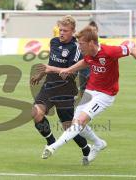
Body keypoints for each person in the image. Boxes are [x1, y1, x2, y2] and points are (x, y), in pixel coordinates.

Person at [38, 26, 136, 163]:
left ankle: (53, 147)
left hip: (106, 95)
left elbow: (132, 50)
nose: (79, 47)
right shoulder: (88, 53)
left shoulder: (109, 51)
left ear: (91, 43)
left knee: (80, 121)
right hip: (90, 91)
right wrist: (68, 70)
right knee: (77, 125)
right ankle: (98, 143)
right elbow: (85, 62)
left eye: (82, 44)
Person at [31, 15, 92, 165]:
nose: (61, 33)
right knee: (36, 113)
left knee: (68, 127)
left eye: (65, 30)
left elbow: (70, 71)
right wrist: (41, 74)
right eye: (60, 30)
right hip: (49, 86)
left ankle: (86, 148)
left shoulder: (76, 47)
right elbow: (51, 62)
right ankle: (51, 141)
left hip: (65, 90)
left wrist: (51, 69)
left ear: (73, 31)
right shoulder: (54, 42)